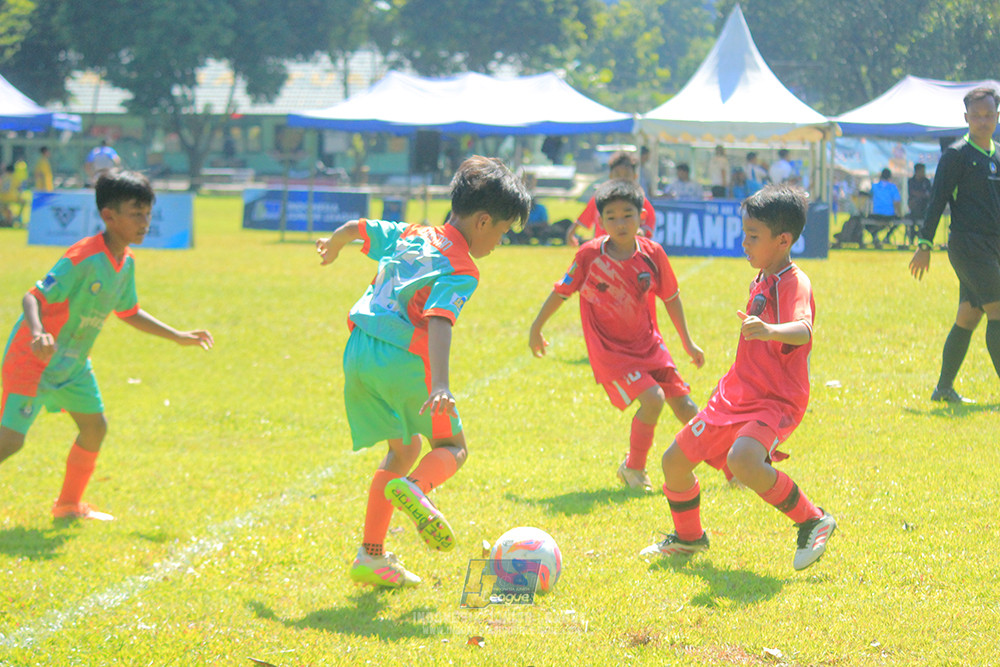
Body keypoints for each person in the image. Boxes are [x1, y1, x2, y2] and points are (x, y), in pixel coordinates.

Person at [315, 156, 531, 589]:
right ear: (484, 221)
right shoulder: (462, 268)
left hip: (358, 350)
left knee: (402, 448)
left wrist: (335, 244)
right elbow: (438, 319)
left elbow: (362, 228)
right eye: (504, 231)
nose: (501, 242)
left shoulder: (413, 233)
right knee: (453, 447)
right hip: (404, 359)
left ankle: (371, 555)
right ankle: (417, 488)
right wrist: (442, 385)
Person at [640, 185, 836, 571]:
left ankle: (813, 520)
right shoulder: (762, 277)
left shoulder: (795, 281)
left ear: (783, 240)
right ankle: (688, 539)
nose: (743, 242)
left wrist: (769, 330)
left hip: (775, 400)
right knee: (674, 463)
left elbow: (803, 329)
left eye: (752, 236)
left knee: (744, 460)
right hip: (734, 396)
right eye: (744, 233)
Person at [0, 170, 214, 520]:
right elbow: (33, 297)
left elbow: (128, 311)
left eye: (148, 213)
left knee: (95, 428)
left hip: (72, 365)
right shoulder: (83, 257)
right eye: (136, 214)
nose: (145, 222)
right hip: (34, 359)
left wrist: (176, 335)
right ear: (108, 216)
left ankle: (68, 506)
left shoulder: (125, 261)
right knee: (10, 442)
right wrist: (38, 332)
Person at [529, 179, 705, 492]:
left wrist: (688, 343)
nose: (620, 223)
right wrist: (537, 327)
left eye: (627, 215)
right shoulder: (588, 256)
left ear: (642, 218)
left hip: (650, 346)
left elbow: (671, 297)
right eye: (611, 217)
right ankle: (634, 469)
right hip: (611, 352)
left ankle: (732, 468)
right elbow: (562, 291)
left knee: (687, 408)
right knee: (653, 399)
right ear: (600, 221)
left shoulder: (652, 254)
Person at [909, 86, 1000, 404]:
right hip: (968, 246)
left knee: (969, 315)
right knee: (998, 310)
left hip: (994, 247)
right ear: (966, 118)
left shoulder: (998, 154)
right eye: (976, 115)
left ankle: (943, 389)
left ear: (997, 116)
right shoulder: (957, 155)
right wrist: (924, 243)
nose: (983, 120)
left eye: (988, 114)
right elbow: (937, 201)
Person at [565, 151, 656, 245]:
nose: (621, 179)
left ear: (635, 176)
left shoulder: (640, 201)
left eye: (626, 175)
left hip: (628, 252)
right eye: (617, 175)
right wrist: (571, 232)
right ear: (610, 176)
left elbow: (647, 224)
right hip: (602, 251)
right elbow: (585, 217)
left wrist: (641, 231)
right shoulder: (601, 198)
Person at [866, 167, 902, 247]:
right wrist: (900, 214)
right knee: (900, 221)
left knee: (865, 222)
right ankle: (887, 236)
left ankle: (874, 236)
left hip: (876, 215)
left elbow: (868, 197)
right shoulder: (893, 187)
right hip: (889, 216)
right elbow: (897, 202)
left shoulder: (874, 186)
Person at [906, 163, 932, 245]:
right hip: (913, 208)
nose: (924, 173)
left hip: (924, 208)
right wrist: (921, 195)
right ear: (916, 171)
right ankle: (912, 237)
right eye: (922, 171)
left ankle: (920, 236)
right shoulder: (911, 181)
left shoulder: (926, 182)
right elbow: (911, 193)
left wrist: (919, 195)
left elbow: (929, 195)